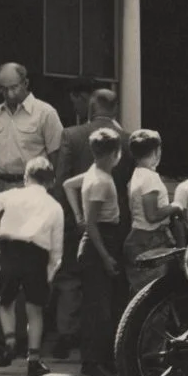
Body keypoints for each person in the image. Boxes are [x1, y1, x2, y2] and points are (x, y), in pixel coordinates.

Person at [52, 89, 132, 359]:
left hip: (80, 220)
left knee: (70, 279)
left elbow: (62, 180)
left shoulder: (72, 135)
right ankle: (107, 342)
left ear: (91, 106)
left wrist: (72, 219)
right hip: (113, 222)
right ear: (115, 109)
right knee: (107, 288)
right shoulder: (127, 139)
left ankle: (66, 335)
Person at [0, 156, 64, 376]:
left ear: (26, 177)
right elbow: (57, 247)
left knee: (5, 301)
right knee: (34, 309)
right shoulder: (54, 207)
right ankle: (34, 358)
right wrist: (50, 271)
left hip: (10, 249)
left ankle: (9, 341)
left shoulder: (13, 195)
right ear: (51, 181)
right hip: (36, 255)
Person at [62, 128, 124, 376]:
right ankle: (91, 363)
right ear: (114, 153)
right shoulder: (100, 181)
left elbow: (68, 185)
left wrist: (77, 214)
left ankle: (100, 360)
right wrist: (106, 256)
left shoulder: (93, 173)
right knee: (97, 310)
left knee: (100, 306)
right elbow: (93, 224)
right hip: (100, 242)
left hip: (98, 241)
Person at [0, 62, 64, 195]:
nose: (9, 94)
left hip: (32, 187)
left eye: (14, 88)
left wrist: (51, 193)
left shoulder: (45, 113)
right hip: (0, 188)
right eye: (3, 89)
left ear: (25, 83)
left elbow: (57, 157)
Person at [123, 130, 182, 296]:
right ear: (157, 151)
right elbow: (152, 216)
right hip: (150, 239)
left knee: (140, 294)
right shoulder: (150, 177)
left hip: (138, 237)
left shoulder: (136, 175)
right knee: (154, 294)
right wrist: (175, 206)